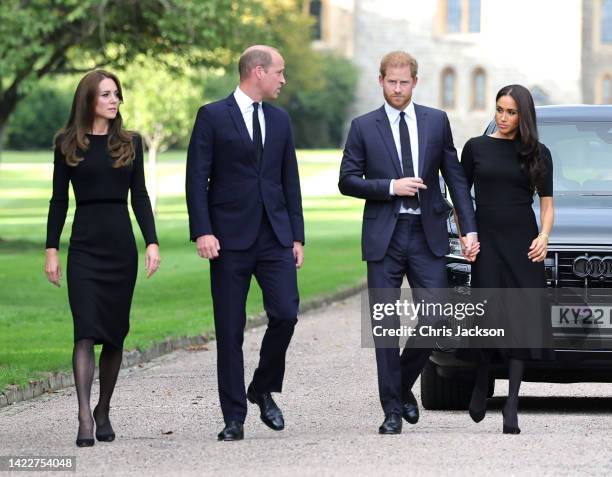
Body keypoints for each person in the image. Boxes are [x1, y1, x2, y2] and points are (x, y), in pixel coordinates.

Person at [338, 51, 478, 434]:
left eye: (404, 82)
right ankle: (392, 412)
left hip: (427, 235)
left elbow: (455, 179)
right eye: (391, 82)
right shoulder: (363, 126)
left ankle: (399, 386)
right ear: (380, 81)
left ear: (415, 82)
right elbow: (347, 180)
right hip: (384, 234)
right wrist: (389, 187)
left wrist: (469, 229)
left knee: (435, 318)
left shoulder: (436, 121)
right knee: (385, 324)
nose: (398, 89)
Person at [186, 45, 304, 442]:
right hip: (228, 240)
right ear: (258, 72)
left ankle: (261, 386)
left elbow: (290, 181)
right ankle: (233, 417)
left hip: (274, 236)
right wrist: (203, 230)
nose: (283, 80)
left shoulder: (281, 120)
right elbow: (196, 179)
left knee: (286, 313)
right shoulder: (212, 116)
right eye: (279, 72)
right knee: (230, 330)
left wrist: (297, 235)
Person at [45, 70, 160, 447]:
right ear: (89, 99)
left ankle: (104, 408)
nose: (114, 101)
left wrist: (152, 242)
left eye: (117, 95)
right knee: (85, 330)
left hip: (119, 248)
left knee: (114, 333)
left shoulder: (130, 142)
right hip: (83, 247)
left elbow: (140, 196)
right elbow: (58, 200)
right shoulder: (67, 144)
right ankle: (83, 415)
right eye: (106, 94)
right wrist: (51, 250)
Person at [459, 84, 554, 434]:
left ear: (523, 115)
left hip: (523, 243)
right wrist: (465, 235)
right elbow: (461, 198)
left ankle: (511, 404)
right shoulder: (475, 148)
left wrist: (543, 237)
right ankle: (482, 380)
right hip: (486, 242)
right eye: (499, 109)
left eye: (511, 112)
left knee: (520, 320)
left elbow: (546, 202)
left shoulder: (539, 153)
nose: (503, 117)